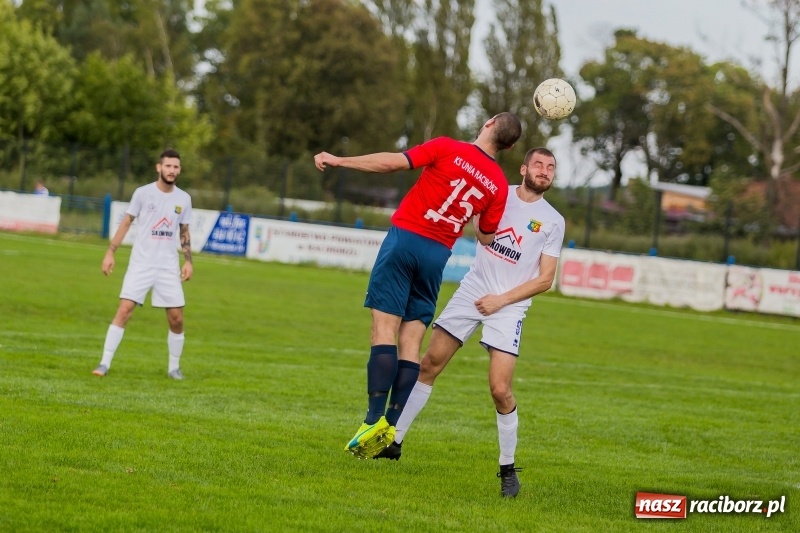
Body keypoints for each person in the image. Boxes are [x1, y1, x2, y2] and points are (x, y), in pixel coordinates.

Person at [314, 113, 522, 458]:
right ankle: (391, 429)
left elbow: (391, 164)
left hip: (405, 239)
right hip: (437, 255)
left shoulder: (446, 147)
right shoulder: (498, 184)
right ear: (510, 146)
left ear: (487, 124)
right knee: (411, 340)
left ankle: (370, 422)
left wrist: (338, 160)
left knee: (383, 329)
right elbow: (486, 236)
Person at [374, 147, 566, 499]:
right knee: (429, 365)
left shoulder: (553, 220)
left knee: (500, 389)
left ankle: (507, 469)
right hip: (473, 290)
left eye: (550, 167)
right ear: (524, 168)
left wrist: (502, 300)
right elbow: (475, 226)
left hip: (509, 307)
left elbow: (545, 280)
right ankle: (393, 442)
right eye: (538, 164)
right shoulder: (497, 192)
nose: (544, 171)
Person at [92, 148, 193, 379]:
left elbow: (184, 231)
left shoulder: (184, 199)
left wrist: (188, 261)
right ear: (159, 167)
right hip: (141, 264)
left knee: (177, 318)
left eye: (176, 167)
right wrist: (110, 252)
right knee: (124, 310)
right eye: (168, 166)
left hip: (168, 267)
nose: (172, 170)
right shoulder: (143, 193)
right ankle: (104, 363)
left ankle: (173, 368)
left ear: (179, 170)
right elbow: (126, 223)